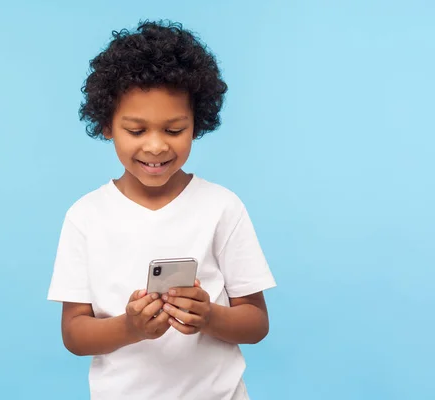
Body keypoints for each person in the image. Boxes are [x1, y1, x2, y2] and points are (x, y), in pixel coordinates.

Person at [47, 20, 276, 400]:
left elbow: (256, 323)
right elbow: (74, 334)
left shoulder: (222, 207)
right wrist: (130, 328)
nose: (155, 147)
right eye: (136, 131)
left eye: (173, 130)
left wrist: (210, 316)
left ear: (196, 124)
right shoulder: (85, 216)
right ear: (106, 125)